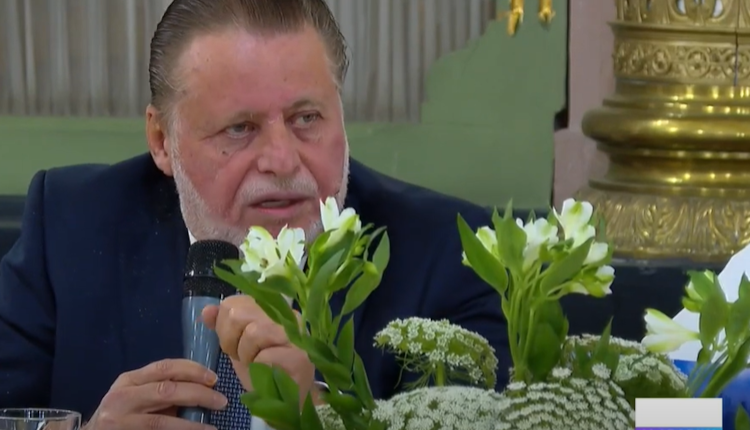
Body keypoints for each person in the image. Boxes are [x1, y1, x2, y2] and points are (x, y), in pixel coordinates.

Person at [0, 1, 510, 429]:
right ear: (161, 141)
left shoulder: (452, 256)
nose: (282, 161)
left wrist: (314, 413)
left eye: (306, 118)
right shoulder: (72, 227)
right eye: (239, 129)